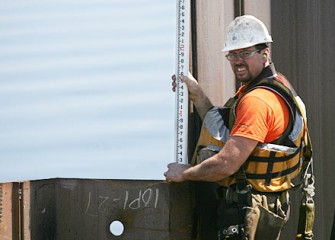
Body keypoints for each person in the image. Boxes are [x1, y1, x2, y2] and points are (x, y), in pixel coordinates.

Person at [164, 15, 313, 240]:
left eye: (245, 53)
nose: (237, 61)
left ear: (265, 54)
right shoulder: (273, 86)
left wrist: (184, 173)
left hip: (246, 211)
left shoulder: (257, 101)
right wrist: (196, 93)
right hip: (261, 208)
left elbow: (226, 164)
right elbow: (224, 132)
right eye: (232, 55)